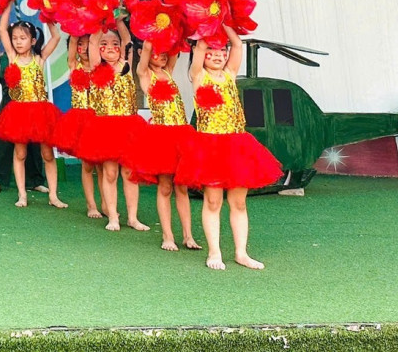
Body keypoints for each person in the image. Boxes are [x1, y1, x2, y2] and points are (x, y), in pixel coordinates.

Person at [174, 27, 282, 269]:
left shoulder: (230, 74)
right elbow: (200, 47)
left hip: (236, 146)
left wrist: (223, 21)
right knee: (213, 201)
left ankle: (241, 253)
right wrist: (207, 25)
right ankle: (214, 252)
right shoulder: (198, 76)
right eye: (212, 51)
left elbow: (237, 44)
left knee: (239, 202)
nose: (217, 55)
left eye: (221, 51)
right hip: (211, 147)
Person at [125, 38, 200, 252]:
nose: (163, 55)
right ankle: (168, 235)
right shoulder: (144, 73)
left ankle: (188, 236)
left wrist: (172, 30)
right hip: (162, 137)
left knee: (182, 187)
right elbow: (148, 47)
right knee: (165, 186)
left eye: (164, 52)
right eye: (158, 52)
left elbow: (175, 47)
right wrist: (151, 30)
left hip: (181, 134)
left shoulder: (169, 71)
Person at [77, 23, 150, 232]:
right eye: (105, 43)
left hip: (128, 127)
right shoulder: (96, 66)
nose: (110, 47)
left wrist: (118, 20)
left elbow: (127, 40)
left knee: (129, 172)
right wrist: (102, 17)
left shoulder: (126, 65)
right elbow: (92, 41)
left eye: (114, 43)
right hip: (106, 128)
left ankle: (133, 218)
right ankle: (112, 216)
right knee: (109, 173)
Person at [0, 7, 66, 209]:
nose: (18, 42)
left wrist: (47, 15)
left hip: (41, 112)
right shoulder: (12, 58)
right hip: (19, 113)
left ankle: (53, 195)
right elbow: (1, 29)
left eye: (23, 38)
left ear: (33, 41)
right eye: (15, 38)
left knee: (47, 154)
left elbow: (56, 37)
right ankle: (22, 194)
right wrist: (8, 3)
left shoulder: (39, 59)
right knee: (20, 154)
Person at [50, 35, 100, 219]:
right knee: (87, 165)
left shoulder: (99, 67)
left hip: (100, 120)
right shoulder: (74, 65)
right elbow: (72, 41)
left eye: (88, 44)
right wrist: (75, 26)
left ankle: (106, 204)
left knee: (103, 166)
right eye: (80, 44)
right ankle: (91, 205)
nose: (85, 48)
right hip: (81, 121)